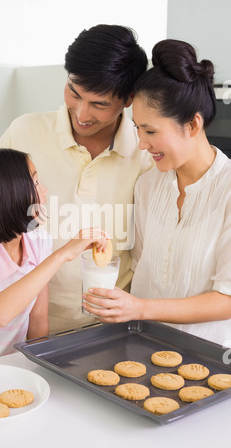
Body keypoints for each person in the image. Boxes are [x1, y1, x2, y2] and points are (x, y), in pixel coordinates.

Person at [0, 24, 152, 334]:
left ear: (127, 99)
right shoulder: (25, 132)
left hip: (107, 331)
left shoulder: (147, 154)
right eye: (74, 93)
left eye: (100, 104)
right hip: (20, 331)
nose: (82, 114)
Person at [82, 39, 231, 346]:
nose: (141, 143)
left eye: (150, 131)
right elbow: (141, 269)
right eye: (137, 128)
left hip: (208, 361)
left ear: (192, 125)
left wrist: (139, 308)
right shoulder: (148, 185)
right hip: (142, 348)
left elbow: (227, 299)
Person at [0, 148, 108, 369]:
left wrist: (40, 370)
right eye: (35, 183)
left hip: (10, 368)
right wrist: (63, 254)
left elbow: (38, 321)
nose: (44, 190)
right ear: (7, 195)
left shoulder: (39, 242)